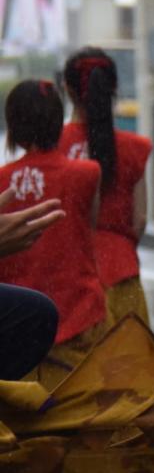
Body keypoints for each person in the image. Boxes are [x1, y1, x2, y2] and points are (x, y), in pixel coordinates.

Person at [0, 80, 106, 387]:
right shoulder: (88, 173)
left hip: (15, 329)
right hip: (80, 319)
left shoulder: (3, 181)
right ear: (58, 123)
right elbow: (91, 228)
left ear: (14, 126)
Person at [58, 47, 154, 324]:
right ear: (113, 88)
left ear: (67, 89)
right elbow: (139, 221)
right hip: (121, 276)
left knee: (74, 367)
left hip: (66, 282)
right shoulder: (135, 148)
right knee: (127, 364)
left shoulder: (52, 147)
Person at [0, 186, 64, 379]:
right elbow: (138, 222)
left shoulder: (6, 177)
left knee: (36, 311)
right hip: (83, 303)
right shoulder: (88, 172)